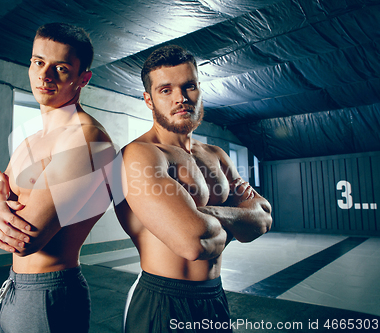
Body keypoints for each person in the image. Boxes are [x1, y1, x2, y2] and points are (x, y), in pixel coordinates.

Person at [114, 45, 272, 332]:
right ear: (148, 100)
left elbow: (263, 218)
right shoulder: (140, 155)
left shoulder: (216, 154)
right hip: (163, 301)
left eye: (189, 86)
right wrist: (234, 217)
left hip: (215, 297)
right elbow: (193, 242)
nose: (181, 98)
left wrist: (202, 214)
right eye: (166, 90)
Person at [0, 23, 115, 333]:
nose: (44, 75)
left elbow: (25, 240)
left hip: (50, 292)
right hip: (15, 287)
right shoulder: (30, 141)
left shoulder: (87, 139)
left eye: (60, 68)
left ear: (82, 78)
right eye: (38, 62)